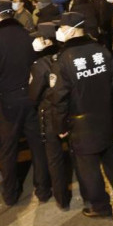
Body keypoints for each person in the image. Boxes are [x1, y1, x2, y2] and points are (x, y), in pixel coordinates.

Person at [50, 12, 113, 218]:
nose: (59, 32)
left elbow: (60, 97)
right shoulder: (101, 50)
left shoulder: (63, 59)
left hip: (80, 121)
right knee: (110, 155)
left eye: (61, 28)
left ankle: (100, 205)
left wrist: (59, 126)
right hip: (103, 115)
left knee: (88, 166)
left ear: (72, 29)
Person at [0, 0, 52, 206]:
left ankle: (10, 194)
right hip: (31, 97)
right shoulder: (27, 34)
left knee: (8, 149)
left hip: (8, 101)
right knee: (37, 146)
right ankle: (43, 189)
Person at [28, 22, 72, 209]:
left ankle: (61, 199)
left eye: (38, 38)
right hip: (70, 111)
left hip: (49, 114)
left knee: (54, 158)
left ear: (45, 41)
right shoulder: (66, 56)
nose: (35, 42)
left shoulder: (40, 64)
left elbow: (34, 93)